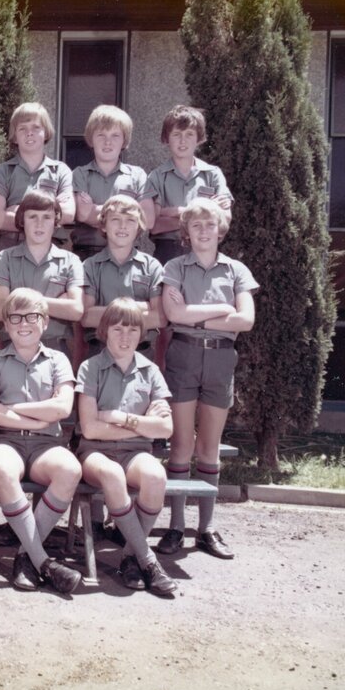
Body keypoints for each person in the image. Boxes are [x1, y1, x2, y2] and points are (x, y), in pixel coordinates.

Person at [156, 198, 257, 560]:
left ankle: (206, 529)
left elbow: (245, 320)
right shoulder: (175, 267)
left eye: (209, 224)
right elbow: (173, 314)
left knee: (209, 448)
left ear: (220, 229)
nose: (203, 231)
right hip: (183, 354)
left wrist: (194, 315)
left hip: (220, 357)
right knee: (181, 445)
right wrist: (223, 309)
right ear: (186, 231)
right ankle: (176, 526)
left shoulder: (235, 270)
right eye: (195, 225)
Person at [0, 288, 84, 594]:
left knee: (70, 470)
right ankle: (42, 561)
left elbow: (62, 408)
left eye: (32, 316)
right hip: (5, 440)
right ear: (6, 325)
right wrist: (36, 418)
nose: (23, 323)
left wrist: (11, 408)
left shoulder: (58, 360)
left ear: (45, 322)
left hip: (45, 445)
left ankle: (26, 556)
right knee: (2, 467)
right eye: (15, 317)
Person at [75, 298, 177, 595]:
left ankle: (130, 558)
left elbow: (165, 428)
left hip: (136, 453)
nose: (125, 336)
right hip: (96, 452)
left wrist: (120, 418)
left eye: (132, 329)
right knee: (112, 474)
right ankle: (148, 560)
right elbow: (91, 428)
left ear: (141, 333)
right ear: (105, 331)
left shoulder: (150, 371)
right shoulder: (91, 368)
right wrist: (144, 424)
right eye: (118, 328)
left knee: (155, 476)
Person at [0, 190, 84, 357]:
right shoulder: (5, 258)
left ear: (56, 221)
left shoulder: (70, 261)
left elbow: (76, 310)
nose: (39, 224)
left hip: (55, 349)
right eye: (32, 216)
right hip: (12, 349)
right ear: (22, 220)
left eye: (46, 217)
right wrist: (55, 304)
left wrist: (18, 301)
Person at [145, 105, 233, 266]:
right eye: (176, 134)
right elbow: (154, 226)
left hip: (205, 252)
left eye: (189, 134)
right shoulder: (156, 177)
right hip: (168, 253)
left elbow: (225, 218)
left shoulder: (212, 174)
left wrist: (172, 212)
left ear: (199, 138)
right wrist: (203, 215)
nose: (182, 140)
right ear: (167, 138)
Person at [81, 195, 165, 361]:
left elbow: (160, 318)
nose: (123, 226)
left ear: (139, 226)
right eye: (115, 219)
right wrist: (142, 307)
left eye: (130, 220)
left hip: (141, 354)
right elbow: (86, 317)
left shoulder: (152, 266)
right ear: (103, 225)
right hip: (99, 353)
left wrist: (105, 312)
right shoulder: (90, 266)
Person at [0, 102, 74, 258]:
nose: (29, 133)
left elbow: (68, 213)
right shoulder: (3, 171)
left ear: (46, 132)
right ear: (15, 136)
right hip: (9, 250)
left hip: (51, 252)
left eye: (36, 127)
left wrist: (18, 211)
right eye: (22, 128)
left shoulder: (60, 171)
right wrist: (49, 212)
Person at [71, 105, 152, 262]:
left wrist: (95, 211)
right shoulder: (79, 174)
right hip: (87, 253)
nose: (108, 142)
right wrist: (129, 215)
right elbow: (82, 214)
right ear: (91, 140)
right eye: (101, 135)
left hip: (127, 256)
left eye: (115, 135)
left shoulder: (137, 176)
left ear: (124, 140)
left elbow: (148, 218)